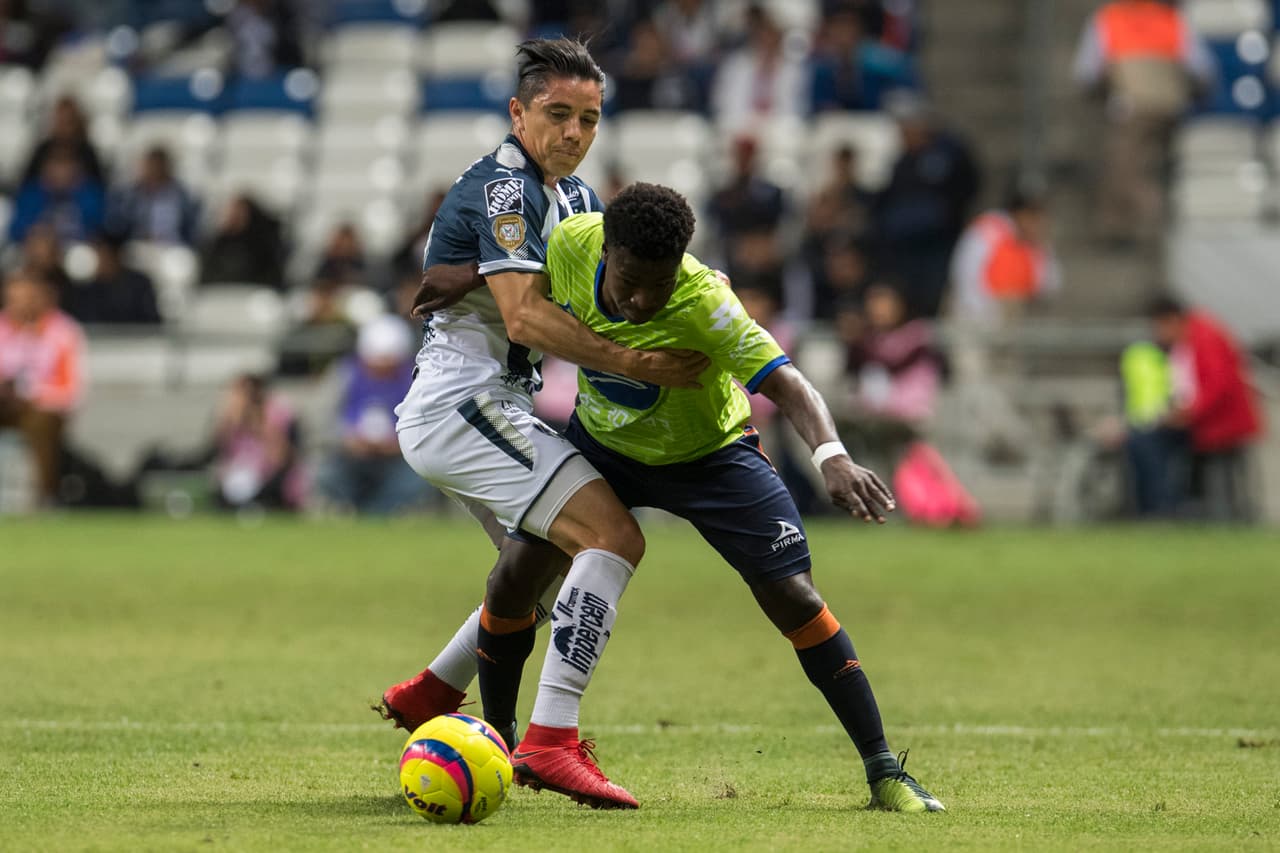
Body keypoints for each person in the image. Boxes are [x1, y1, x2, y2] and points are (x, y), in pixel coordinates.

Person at [395, 183, 945, 813]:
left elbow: (789, 383)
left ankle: (884, 772)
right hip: (605, 447)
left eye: (657, 285)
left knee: (795, 599)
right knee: (515, 577)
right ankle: (501, 742)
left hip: (711, 459)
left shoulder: (705, 302)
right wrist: (468, 274)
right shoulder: (573, 244)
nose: (640, 300)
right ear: (607, 251)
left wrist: (833, 457)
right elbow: (518, 273)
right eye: (629, 281)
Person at [377, 39, 708, 810]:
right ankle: (550, 739)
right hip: (464, 404)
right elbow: (525, 316)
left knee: (543, 568)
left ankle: (433, 689)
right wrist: (636, 362)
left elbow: (598, 294)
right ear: (518, 113)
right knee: (612, 538)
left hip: (498, 404)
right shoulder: (505, 188)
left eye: (588, 118)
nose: (574, 132)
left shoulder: (579, 198)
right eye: (558, 114)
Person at [1072, 0, 1214, 246]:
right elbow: (1203, 71)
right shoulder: (1172, 19)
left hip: (1130, 109)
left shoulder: (1109, 19)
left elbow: (1086, 73)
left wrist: (1106, 86)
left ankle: (1131, 230)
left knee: (1125, 171)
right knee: (1148, 168)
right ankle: (1144, 227)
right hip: (1169, 110)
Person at [1148, 297, 1263, 522]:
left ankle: (1170, 508)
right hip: (1208, 420)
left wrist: (1189, 412)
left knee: (1152, 443)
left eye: (1159, 327)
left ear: (1172, 320)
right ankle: (1182, 506)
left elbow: (1218, 385)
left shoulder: (1205, 337)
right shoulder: (1188, 341)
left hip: (1223, 423)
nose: (1158, 335)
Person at [314, 315, 435, 515]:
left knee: (418, 480)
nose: (382, 368)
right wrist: (347, 439)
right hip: (351, 456)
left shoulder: (415, 378)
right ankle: (352, 509)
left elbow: (428, 423)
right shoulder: (344, 374)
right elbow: (323, 419)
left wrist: (400, 444)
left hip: (398, 458)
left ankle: (380, 512)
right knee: (325, 474)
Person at [874, 93, 979, 319]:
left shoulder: (950, 152)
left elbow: (968, 186)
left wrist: (949, 216)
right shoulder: (903, 163)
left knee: (933, 295)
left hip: (939, 243)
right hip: (906, 246)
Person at [0, 270, 85, 506]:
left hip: (41, 410)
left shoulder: (64, 332)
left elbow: (73, 392)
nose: (21, 305)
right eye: (14, 298)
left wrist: (30, 393)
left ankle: (44, 498)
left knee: (40, 423)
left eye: (28, 298)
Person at [949, 188, 1061, 326]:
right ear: (1019, 212)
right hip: (978, 317)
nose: (1036, 223)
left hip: (1016, 318)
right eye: (1031, 215)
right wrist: (989, 312)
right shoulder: (988, 229)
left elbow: (1049, 284)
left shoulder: (1037, 244)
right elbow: (965, 273)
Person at [210, 373, 305, 511]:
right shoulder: (233, 417)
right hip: (242, 473)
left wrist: (255, 421)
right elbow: (220, 449)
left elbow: (280, 456)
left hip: (272, 476)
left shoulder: (276, 412)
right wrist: (229, 419)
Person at [63, 230, 163, 325]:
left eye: (104, 253)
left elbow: (151, 322)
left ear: (114, 255)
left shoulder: (139, 285)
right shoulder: (86, 290)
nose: (100, 259)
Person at [105, 146, 199, 246]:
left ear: (166, 167)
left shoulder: (179, 195)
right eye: (151, 166)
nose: (154, 170)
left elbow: (189, 225)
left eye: (158, 166)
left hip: (172, 245)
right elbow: (121, 224)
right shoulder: (133, 194)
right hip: (140, 243)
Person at [199, 194, 286, 288]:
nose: (234, 215)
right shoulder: (218, 244)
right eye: (231, 211)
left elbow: (272, 278)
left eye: (239, 211)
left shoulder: (262, 245)